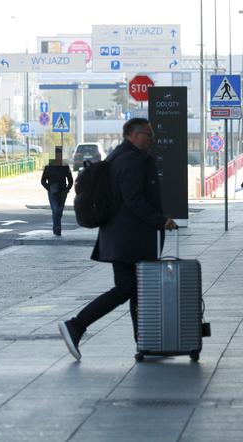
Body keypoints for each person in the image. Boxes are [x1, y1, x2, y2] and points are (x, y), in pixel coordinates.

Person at [58, 118, 178, 361]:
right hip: (130, 238)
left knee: (136, 289)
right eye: (147, 134)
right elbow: (133, 199)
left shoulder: (118, 156)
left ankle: (145, 343)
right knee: (128, 288)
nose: (151, 139)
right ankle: (77, 325)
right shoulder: (132, 160)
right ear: (133, 135)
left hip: (121, 236)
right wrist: (161, 220)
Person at [40, 147, 73, 236]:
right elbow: (43, 180)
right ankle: (57, 228)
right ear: (55, 155)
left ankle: (56, 227)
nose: (59, 156)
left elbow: (70, 180)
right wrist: (49, 189)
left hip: (62, 192)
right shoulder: (49, 165)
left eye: (60, 154)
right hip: (52, 192)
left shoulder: (65, 165)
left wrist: (67, 189)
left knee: (60, 211)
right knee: (56, 210)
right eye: (58, 154)